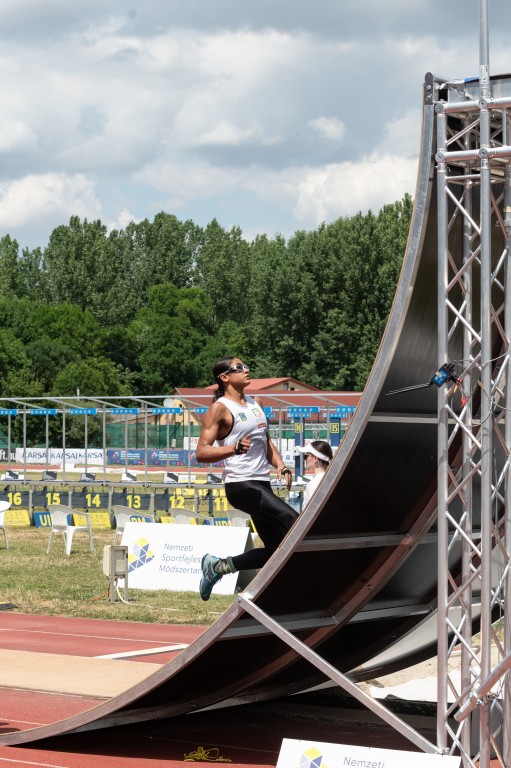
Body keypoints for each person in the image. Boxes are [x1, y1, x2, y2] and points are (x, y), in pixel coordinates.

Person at [195, 356, 298, 600]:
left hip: (261, 484)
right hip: (240, 485)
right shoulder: (219, 409)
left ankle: (218, 567)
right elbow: (201, 452)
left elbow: (266, 443)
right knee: (292, 520)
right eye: (239, 368)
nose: (246, 370)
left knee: (275, 551)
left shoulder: (256, 403)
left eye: (246, 366)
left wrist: (281, 466)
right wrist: (233, 449)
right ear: (224, 377)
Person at [297, 440, 333, 510]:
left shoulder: (313, 484)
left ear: (315, 458)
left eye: (306, 456)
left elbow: (311, 511)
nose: (305, 459)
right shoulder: (331, 479)